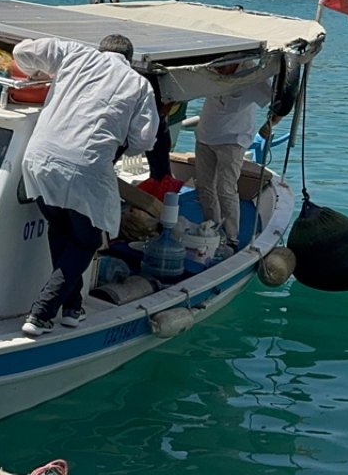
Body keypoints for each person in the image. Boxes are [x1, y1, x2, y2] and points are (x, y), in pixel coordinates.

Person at [14, 34, 160, 336]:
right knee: (87, 240)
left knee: (61, 229)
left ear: (101, 49)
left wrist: (36, 73)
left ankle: (73, 307)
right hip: (86, 165)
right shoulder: (138, 83)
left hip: (38, 158)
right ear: (130, 59)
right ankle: (41, 313)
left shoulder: (75, 53)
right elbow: (144, 140)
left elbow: (23, 50)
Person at [194, 68, 274, 251]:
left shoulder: (255, 74)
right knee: (204, 186)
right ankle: (211, 227)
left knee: (226, 189)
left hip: (233, 140)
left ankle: (231, 237)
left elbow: (281, 101)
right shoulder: (210, 68)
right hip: (205, 135)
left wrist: (270, 123)